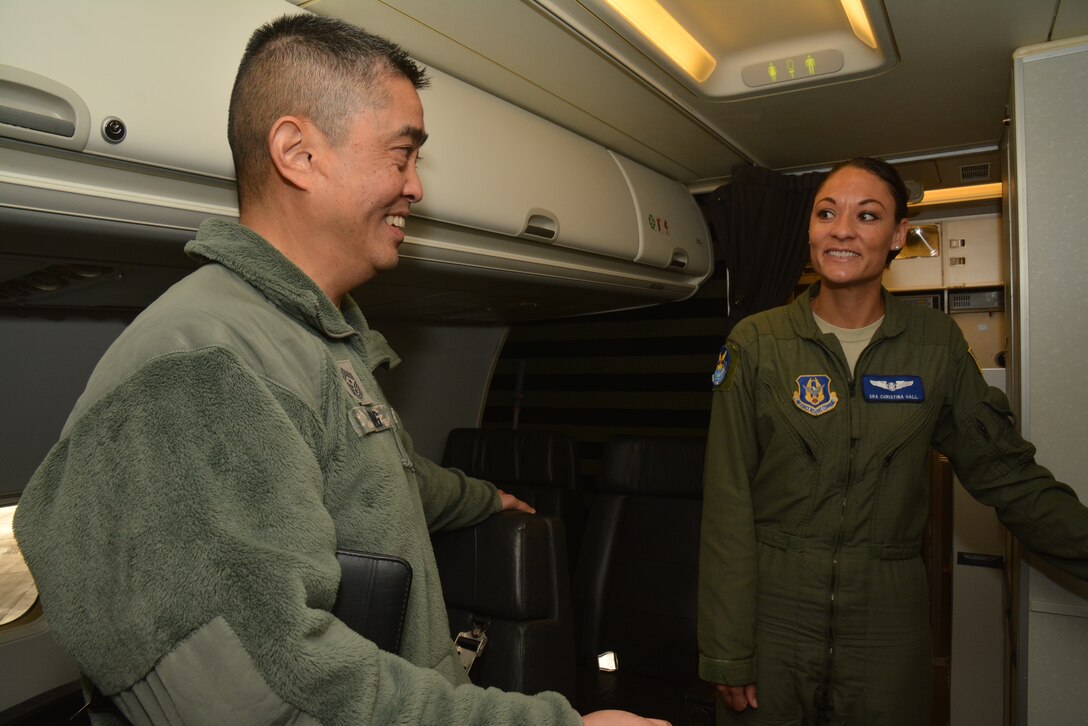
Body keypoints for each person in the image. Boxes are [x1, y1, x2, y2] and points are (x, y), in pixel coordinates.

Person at [13, 14, 668, 726]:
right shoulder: (203, 364)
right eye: (401, 154)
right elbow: (265, 701)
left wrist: (489, 499)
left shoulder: (318, 342)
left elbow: (387, 482)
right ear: (298, 152)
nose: (415, 187)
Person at [697, 156, 1088, 725]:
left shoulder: (935, 345)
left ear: (897, 236)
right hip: (774, 614)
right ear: (809, 230)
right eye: (826, 212)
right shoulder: (758, 343)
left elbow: (1007, 473)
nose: (842, 229)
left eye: (868, 215)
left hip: (888, 620)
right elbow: (727, 501)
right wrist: (727, 649)